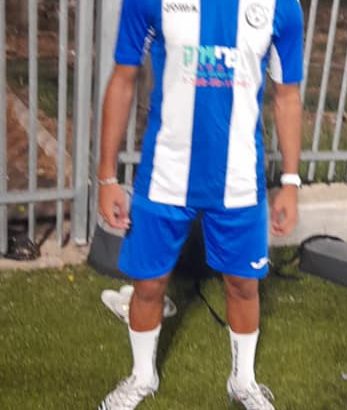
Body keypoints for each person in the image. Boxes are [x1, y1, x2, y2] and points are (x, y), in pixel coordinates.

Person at [96, 0, 304, 408]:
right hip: (164, 174)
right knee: (148, 284)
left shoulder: (282, 6)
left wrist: (291, 182)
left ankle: (243, 381)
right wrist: (106, 177)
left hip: (239, 180)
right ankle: (142, 377)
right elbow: (123, 78)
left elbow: (288, 96)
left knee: (243, 284)